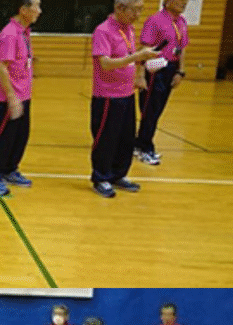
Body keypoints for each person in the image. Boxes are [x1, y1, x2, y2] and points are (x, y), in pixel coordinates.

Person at [88, 0, 160, 198]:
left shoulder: (128, 29)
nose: (138, 15)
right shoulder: (103, 31)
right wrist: (136, 57)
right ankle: (101, 177)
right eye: (135, 10)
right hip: (108, 96)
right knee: (106, 139)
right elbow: (105, 63)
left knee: (126, 139)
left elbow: (130, 55)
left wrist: (139, 73)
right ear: (120, 8)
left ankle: (118, 174)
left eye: (140, 10)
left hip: (127, 93)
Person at [0, 0, 43, 197]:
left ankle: (9, 170)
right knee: (5, 137)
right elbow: (2, 67)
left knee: (19, 137)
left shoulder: (23, 32)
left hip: (24, 94)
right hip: (11, 97)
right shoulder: (9, 34)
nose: (39, 11)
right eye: (36, 6)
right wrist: (11, 97)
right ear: (23, 10)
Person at [133, 0, 190, 165]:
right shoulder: (155, 20)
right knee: (150, 108)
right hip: (155, 68)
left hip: (171, 68)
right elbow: (144, 48)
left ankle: (140, 142)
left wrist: (180, 71)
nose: (184, 3)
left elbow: (182, 47)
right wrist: (141, 74)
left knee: (158, 109)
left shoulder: (181, 22)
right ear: (168, 1)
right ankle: (145, 147)